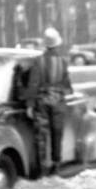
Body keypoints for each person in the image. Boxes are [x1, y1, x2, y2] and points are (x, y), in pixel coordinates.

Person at [33, 27, 73, 173]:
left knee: (41, 134)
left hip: (42, 101)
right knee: (57, 132)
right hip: (57, 101)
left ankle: (42, 166)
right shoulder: (62, 62)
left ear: (45, 44)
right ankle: (56, 163)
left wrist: (30, 104)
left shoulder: (38, 61)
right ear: (57, 45)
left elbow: (33, 83)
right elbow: (67, 85)